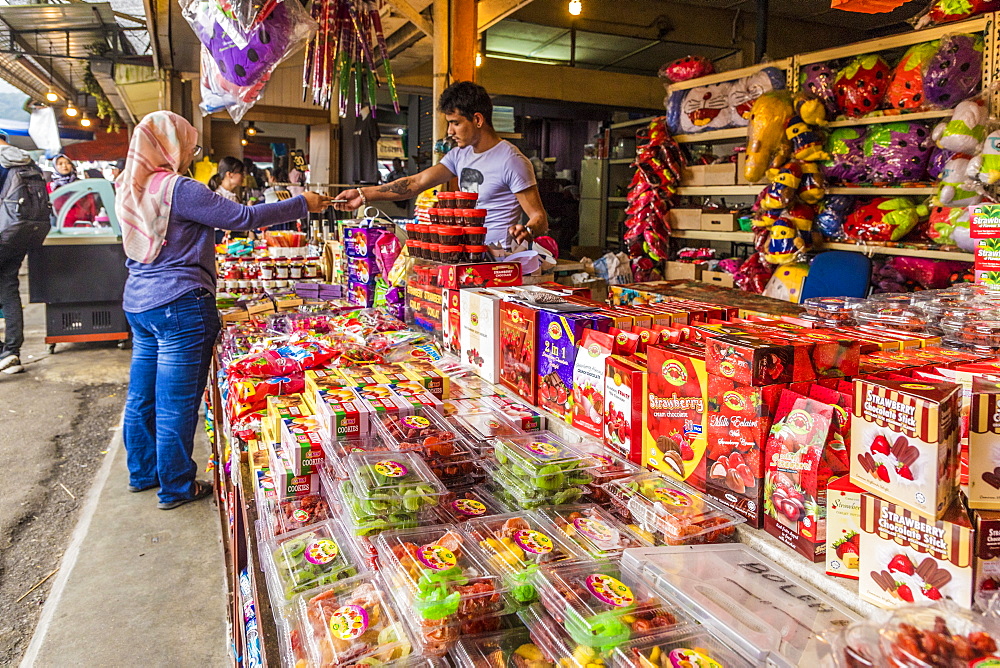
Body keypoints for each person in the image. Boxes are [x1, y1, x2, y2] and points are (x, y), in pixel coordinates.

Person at [116, 111, 332, 510]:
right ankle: (176, 486)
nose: (189, 155)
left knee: (141, 397)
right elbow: (243, 218)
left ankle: (142, 472)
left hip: (139, 303)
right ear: (172, 146)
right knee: (176, 404)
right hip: (180, 304)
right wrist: (302, 204)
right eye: (189, 146)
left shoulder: (129, 185)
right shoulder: (179, 188)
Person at [336, 82, 547, 245]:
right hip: (469, 256)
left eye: (455, 123)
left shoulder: (511, 160)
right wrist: (363, 194)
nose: (449, 132)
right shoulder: (459, 156)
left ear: (478, 120)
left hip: (501, 264)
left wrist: (527, 231)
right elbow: (416, 183)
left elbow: (539, 218)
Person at [0, 131, 51, 375]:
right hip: (22, 233)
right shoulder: (26, 160)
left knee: (8, 287)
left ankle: (6, 351)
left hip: (2, 232)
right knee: (8, 288)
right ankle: (11, 353)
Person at [48, 153, 98, 227]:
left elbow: (91, 204)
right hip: (59, 227)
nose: (64, 166)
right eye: (60, 164)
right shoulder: (50, 187)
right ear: (55, 167)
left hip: (82, 226)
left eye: (67, 163)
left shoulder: (81, 185)